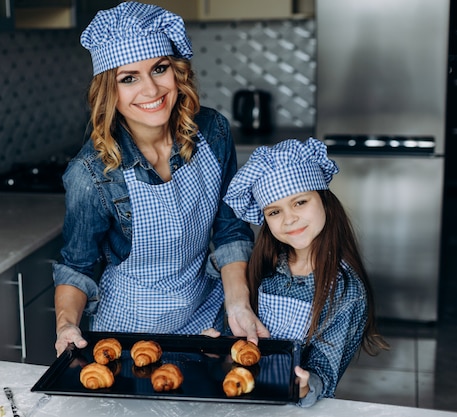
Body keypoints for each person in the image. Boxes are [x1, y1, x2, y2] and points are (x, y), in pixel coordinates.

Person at [52, 1, 268, 356]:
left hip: (207, 322)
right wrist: (67, 325)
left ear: (177, 71)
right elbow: (79, 266)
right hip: (126, 334)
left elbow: (229, 229)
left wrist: (239, 304)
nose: (151, 90)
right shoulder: (90, 172)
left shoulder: (212, 132)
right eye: (129, 78)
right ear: (110, 91)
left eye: (159, 68)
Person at [222, 138, 390, 407]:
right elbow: (239, 336)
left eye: (299, 202)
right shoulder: (261, 268)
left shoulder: (346, 290)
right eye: (274, 211)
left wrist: (304, 384)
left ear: (323, 199)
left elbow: (324, 369)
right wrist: (217, 347)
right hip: (245, 398)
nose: (289, 219)